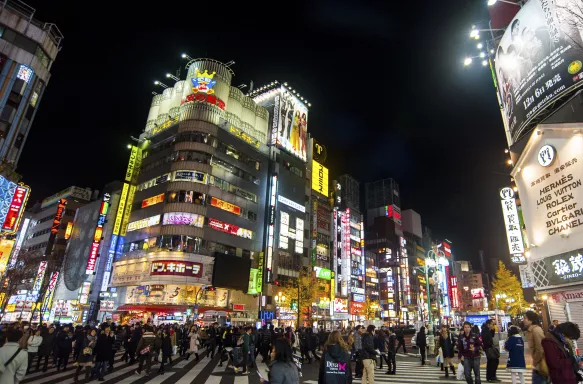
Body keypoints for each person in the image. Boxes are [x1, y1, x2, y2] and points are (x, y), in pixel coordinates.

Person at [523, 311, 549, 384]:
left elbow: (540, 348)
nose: (523, 320)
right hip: (538, 366)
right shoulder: (531, 330)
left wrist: (535, 362)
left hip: (540, 367)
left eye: (525, 318)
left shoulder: (536, 330)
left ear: (531, 320)